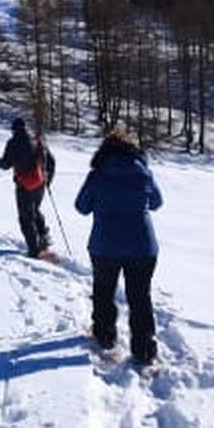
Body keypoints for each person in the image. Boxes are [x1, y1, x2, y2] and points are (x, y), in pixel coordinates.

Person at [75, 128, 163, 365]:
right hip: (142, 246)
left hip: (105, 246)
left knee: (104, 291)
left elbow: (81, 207)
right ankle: (144, 349)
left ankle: (105, 336)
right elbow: (156, 203)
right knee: (140, 297)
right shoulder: (144, 174)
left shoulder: (97, 175)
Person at [0, 117, 56, 259]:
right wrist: (47, 180)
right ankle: (44, 238)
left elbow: (5, 164)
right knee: (35, 210)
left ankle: (34, 250)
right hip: (39, 184)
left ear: (13, 130)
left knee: (26, 218)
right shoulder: (37, 141)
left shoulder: (13, 143)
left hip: (24, 185)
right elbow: (51, 161)